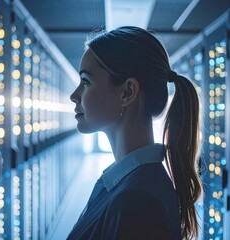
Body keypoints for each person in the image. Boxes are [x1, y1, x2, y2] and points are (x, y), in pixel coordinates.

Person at [68, 26, 202, 240]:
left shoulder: (137, 202)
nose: (74, 95)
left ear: (127, 92)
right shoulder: (128, 184)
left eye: (86, 81)